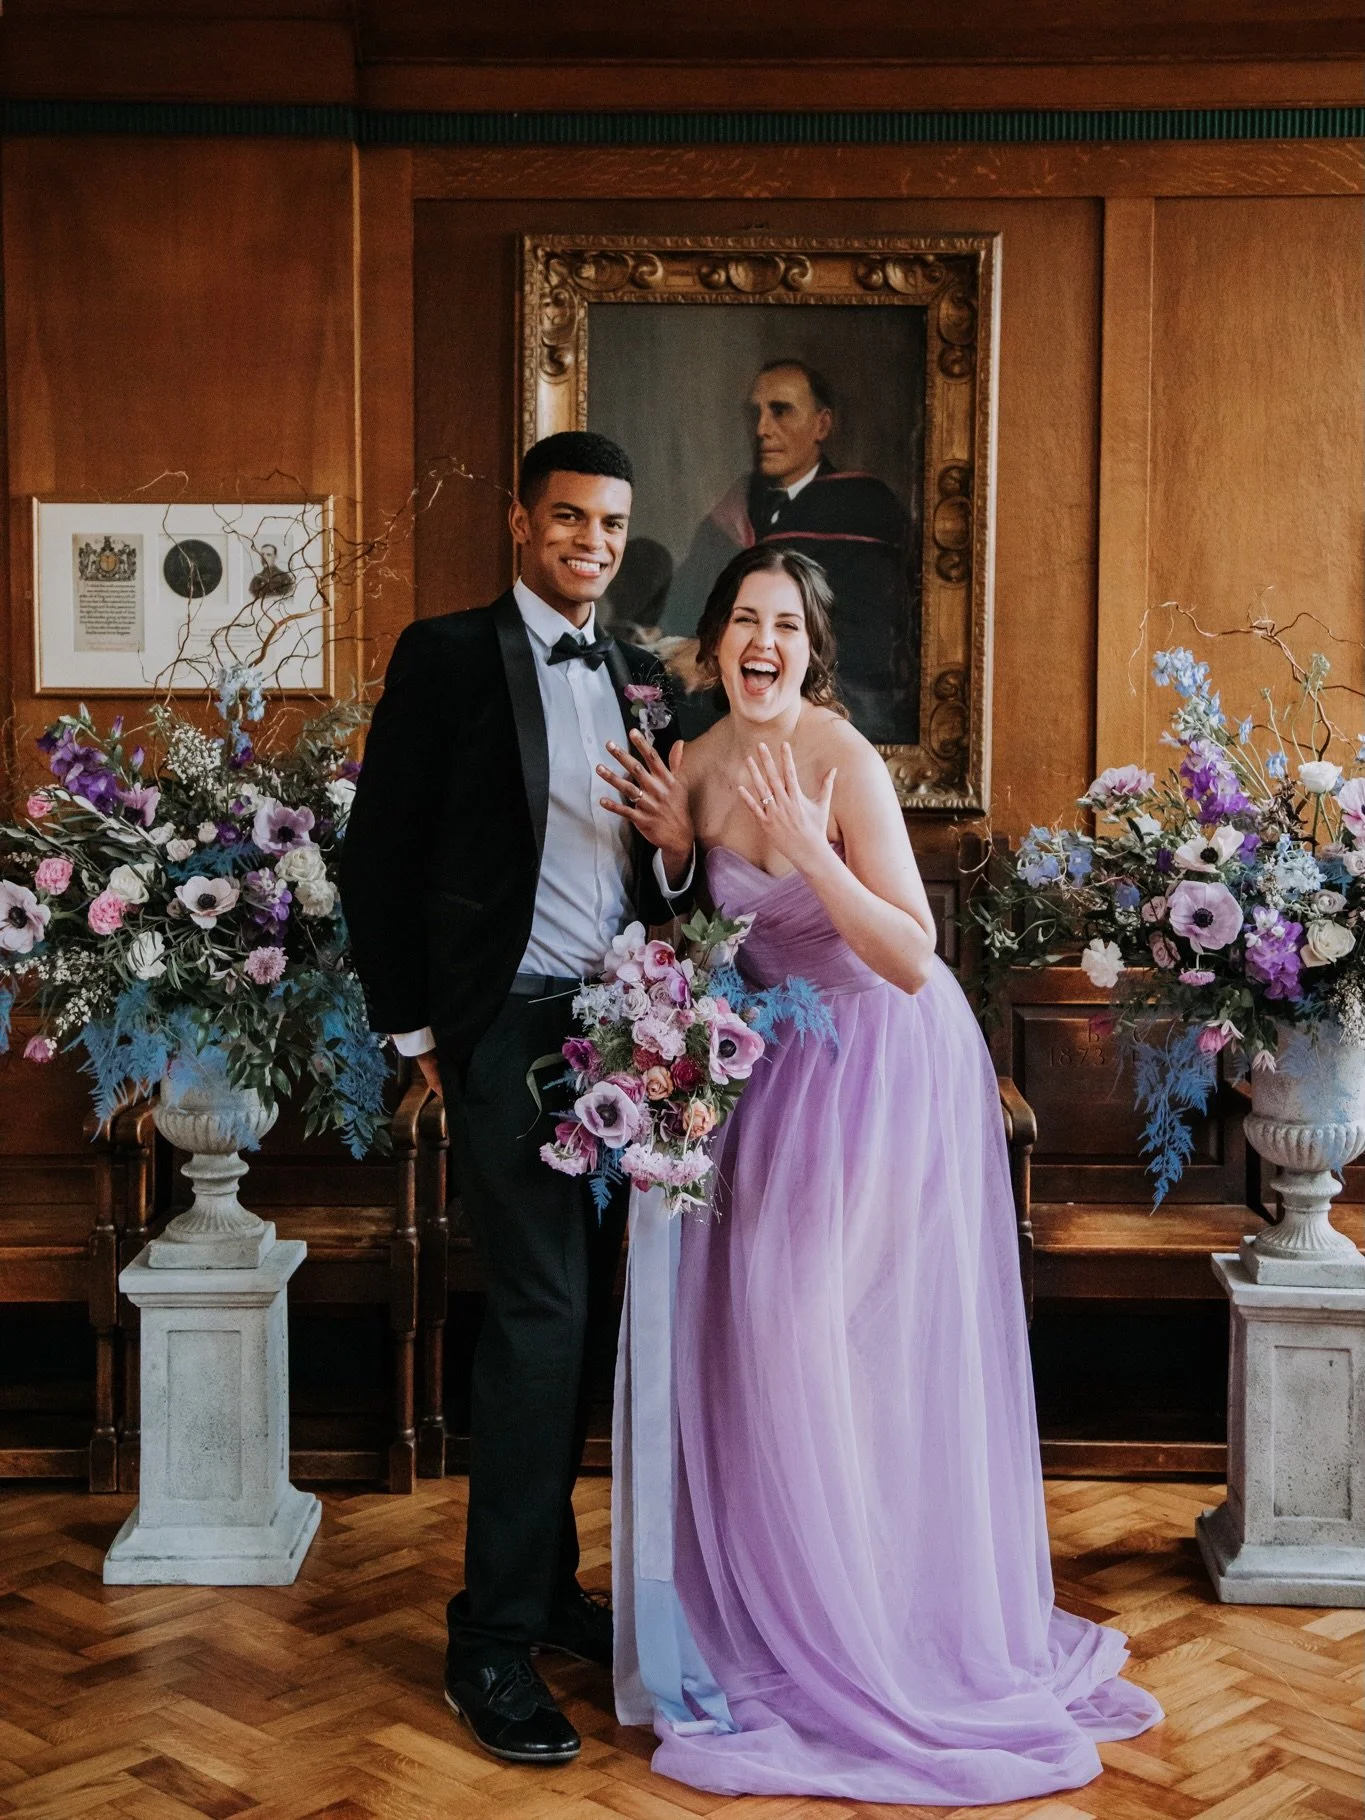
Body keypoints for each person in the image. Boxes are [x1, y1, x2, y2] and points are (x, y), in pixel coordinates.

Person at [611, 543, 1164, 1804]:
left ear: (811, 650)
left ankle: (877, 1630)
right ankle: (781, 1616)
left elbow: (913, 957)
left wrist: (813, 850)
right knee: (759, 1349)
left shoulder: (842, 759)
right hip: (772, 1081)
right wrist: (680, 861)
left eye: (787, 627)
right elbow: (703, 943)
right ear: (709, 646)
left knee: (827, 1339)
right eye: (743, 621)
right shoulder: (692, 765)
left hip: (881, 1067)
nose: (764, 643)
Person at [339, 431, 695, 1768]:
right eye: (566, 520)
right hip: (505, 1035)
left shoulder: (639, 669)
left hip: (624, 1037)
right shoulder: (445, 655)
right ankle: (485, 1644)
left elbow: (666, 873)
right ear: (517, 522)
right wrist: (418, 1026)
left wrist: (670, 859)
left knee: (582, 1318)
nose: (590, 542)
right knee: (542, 1324)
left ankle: (543, 1592)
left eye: (609, 523)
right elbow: (379, 849)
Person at [662, 360, 917, 743]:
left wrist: (717, 655)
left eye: (780, 411)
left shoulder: (864, 508)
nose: (763, 429)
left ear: (822, 425)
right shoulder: (734, 509)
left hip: (833, 715)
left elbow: (865, 640)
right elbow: (681, 610)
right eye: (755, 414)